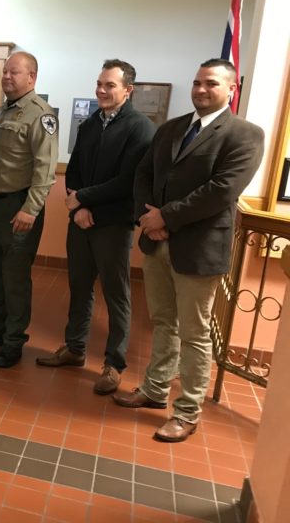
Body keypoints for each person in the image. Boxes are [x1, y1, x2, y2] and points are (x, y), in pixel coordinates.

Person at [113, 59, 264, 442]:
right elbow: (143, 173)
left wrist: (165, 217)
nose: (200, 89)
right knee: (164, 322)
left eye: (210, 83)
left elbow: (221, 191)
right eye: (197, 82)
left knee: (194, 333)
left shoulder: (245, 135)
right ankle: (155, 389)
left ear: (231, 89)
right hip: (157, 242)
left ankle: (187, 411)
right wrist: (148, 217)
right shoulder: (172, 128)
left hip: (199, 249)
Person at [36, 59, 155, 392]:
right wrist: (79, 206)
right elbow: (73, 169)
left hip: (113, 225)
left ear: (128, 90)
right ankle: (75, 348)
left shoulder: (141, 128)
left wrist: (83, 200)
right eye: (99, 84)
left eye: (110, 85)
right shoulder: (90, 123)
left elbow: (128, 180)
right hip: (81, 221)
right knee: (79, 287)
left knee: (117, 295)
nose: (101, 90)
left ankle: (114, 364)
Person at [0, 51, 58, 368]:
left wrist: (31, 209)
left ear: (32, 77)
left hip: (19, 207)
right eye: (5, 72)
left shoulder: (40, 114)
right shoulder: (3, 111)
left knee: (15, 278)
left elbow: (46, 169)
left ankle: (14, 340)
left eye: (14, 72)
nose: (6, 77)